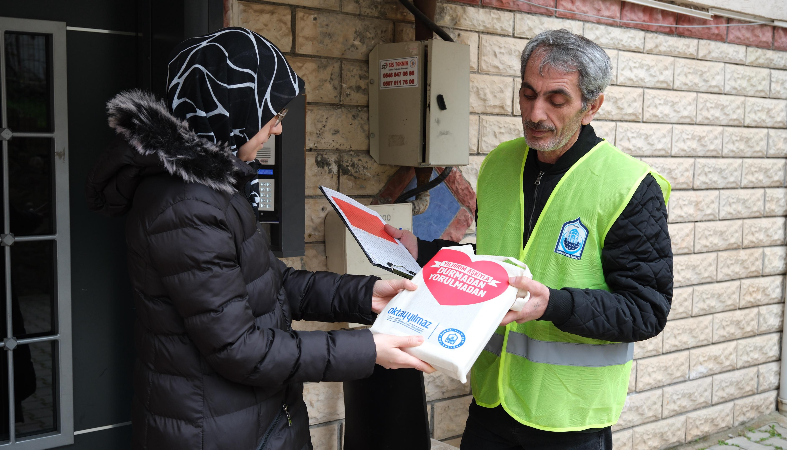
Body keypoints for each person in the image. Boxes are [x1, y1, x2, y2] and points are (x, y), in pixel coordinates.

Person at [85, 28, 433, 450]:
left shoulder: (208, 190)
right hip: (217, 433)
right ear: (234, 108)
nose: (278, 130)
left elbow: (271, 282)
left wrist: (366, 295)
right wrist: (367, 349)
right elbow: (241, 348)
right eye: (274, 116)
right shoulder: (186, 205)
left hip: (247, 423)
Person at [387, 29, 673, 450]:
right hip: (491, 404)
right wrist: (424, 252)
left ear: (591, 107)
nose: (535, 113)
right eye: (527, 94)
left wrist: (553, 304)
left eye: (556, 100)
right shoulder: (499, 164)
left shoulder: (628, 186)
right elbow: (495, 261)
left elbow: (646, 310)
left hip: (569, 420)